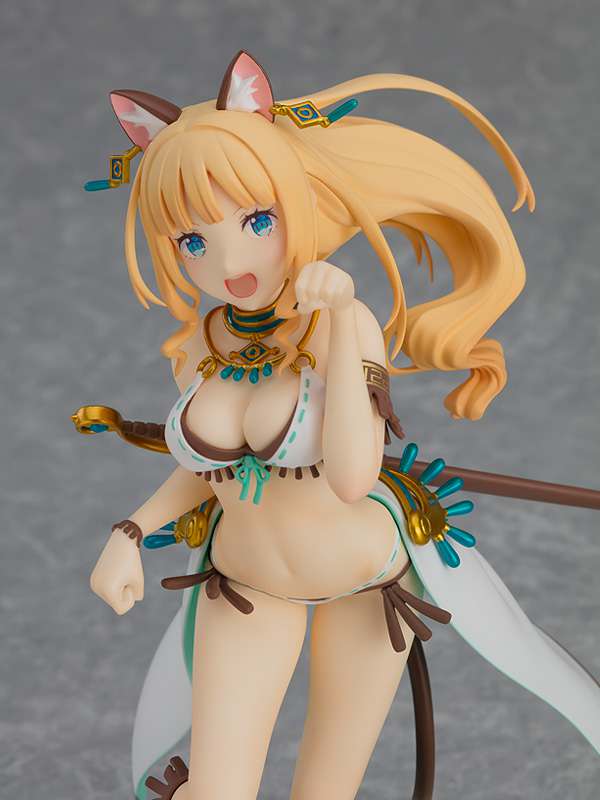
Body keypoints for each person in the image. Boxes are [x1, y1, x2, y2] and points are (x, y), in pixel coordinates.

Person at [87, 50, 600, 800]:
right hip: (245, 583)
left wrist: (334, 324)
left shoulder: (346, 321)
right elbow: (209, 473)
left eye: (256, 221)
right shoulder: (203, 341)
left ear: (295, 205)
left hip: (364, 583)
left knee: (324, 792)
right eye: (194, 240)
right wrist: (130, 533)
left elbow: (356, 477)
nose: (230, 262)